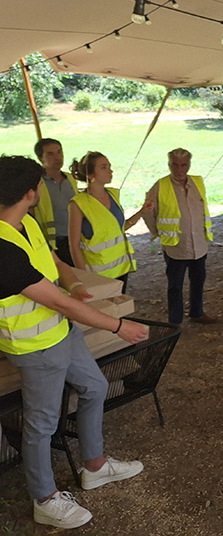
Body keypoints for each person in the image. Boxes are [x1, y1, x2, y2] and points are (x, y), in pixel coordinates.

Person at [0, 155, 149, 529]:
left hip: (62, 331)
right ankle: (44, 498)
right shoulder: (3, 249)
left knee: (95, 386)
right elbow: (53, 300)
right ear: (31, 193)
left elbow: (53, 263)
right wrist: (118, 326)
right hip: (35, 347)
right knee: (42, 423)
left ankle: (95, 466)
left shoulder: (26, 223)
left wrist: (75, 281)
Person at [142, 148, 218, 325]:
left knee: (198, 280)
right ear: (169, 164)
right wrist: (158, 233)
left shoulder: (198, 182)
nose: (179, 170)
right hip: (176, 246)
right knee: (175, 286)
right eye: (174, 165)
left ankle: (197, 312)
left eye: (183, 165)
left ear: (189, 164)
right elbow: (147, 212)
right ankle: (174, 322)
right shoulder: (160, 185)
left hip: (199, 243)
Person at [68, 152, 150, 290]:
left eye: (109, 166)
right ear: (90, 175)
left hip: (121, 268)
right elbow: (74, 244)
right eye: (103, 167)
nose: (110, 171)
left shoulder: (113, 194)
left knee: (120, 308)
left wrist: (142, 212)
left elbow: (118, 229)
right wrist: (83, 277)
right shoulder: (78, 204)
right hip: (98, 273)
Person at [32, 138, 79, 266]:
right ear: (41, 159)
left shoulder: (70, 178)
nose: (57, 157)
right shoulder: (37, 184)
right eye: (50, 154)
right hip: (54, 242)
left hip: (77, 238)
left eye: (59, 152)